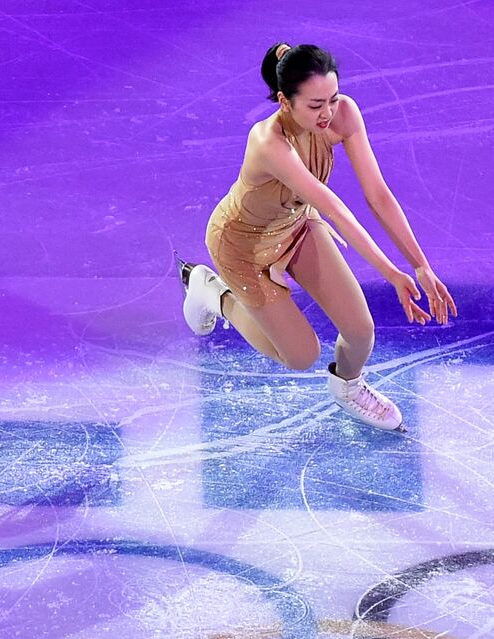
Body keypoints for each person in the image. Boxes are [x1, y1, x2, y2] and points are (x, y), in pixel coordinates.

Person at [178, 43, 457, 432]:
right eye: (314, 105)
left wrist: (420, 265)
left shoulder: (343, 115)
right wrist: (392, 273)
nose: (327, 113)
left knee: (361, 331)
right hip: (241, 246)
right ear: (284, 101)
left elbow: (377, 195)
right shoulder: (268, 142)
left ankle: (348, 387)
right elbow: (335, 209)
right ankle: (213, 292)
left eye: (333, 98)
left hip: (293, 227)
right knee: (300, 355)